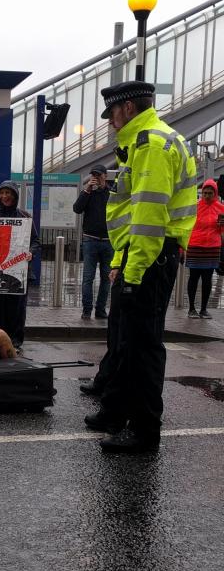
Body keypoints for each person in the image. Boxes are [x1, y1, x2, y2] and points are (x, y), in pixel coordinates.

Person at [84, 81, 197, 453]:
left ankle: (144, 430)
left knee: (142, 346)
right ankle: (115, 411)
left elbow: (149, 215)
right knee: (122, 338)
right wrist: (119, 261)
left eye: (112, 114)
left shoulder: (151, 145)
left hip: (150, 256)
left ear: (128, 108)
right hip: (138, 253)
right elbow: (130, 214)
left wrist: (131, 273)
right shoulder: (142, 143)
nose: (110, 123)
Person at [0, 180, 40, 352]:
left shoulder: (24, 218)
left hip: (19, 271)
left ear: (15, 195)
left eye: (8, 193)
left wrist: (31, 252)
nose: (5, 196)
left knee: (17, 308)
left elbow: (36, 241)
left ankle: (15, 339)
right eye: (2, 193)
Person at [73, 165, 112, 320]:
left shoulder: (111, 193)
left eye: (99, 175)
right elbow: (77, 209)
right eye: (93, 175)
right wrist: (87, 190)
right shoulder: (88, 193)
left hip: (109, 241)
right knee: (88, 277)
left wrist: (104, 189)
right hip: (90, 240)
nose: (95, 178)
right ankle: (87, 310)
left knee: (106, 278)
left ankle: (101, 310)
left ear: (105, 176)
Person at [185, 179, 224, 318]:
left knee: (208, 279)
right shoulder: (195, 206)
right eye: (205, 193)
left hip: (212, 247)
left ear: (215, 193)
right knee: (194, 278)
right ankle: (191, 308)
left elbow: (222, 230)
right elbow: (187, 226)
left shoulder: (221, 208)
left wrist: (222, 225)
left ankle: (203, 309)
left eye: (210, 193)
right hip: (195, 245)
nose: (207, 196)